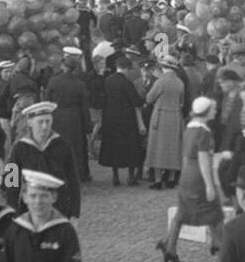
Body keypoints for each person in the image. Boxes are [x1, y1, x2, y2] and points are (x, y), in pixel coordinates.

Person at [158, 95, 225, 262]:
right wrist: (210, 185)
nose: (215, 111)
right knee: (215, 212)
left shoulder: (189, 128)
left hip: (187, 174)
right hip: (198, 176)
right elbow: (203, 159)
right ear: (206, 112)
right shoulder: (204, 132)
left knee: (182, 213)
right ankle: (223, 248)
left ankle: (169, 247)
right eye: (213, 109)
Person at [10, 101, 81, 219]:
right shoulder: (18, 148)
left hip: (59, 208)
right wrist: (11, 213)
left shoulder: (64, 146)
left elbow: (73, 181)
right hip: (30, 209)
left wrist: (75, 213)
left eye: (48, 122)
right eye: (40, 122)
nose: (44, 126)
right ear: (30, 123)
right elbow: (10, 183)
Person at [97, 56, 146, 187]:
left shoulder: (108, 80)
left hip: (110, 118)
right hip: (126, 119)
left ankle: (115, 176)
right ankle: (130, 177)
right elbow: (135, 101)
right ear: (127, 69)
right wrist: (144, 98)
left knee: (113, 147)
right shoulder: (127, 83)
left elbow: (102, 99)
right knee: (130, 148)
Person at [47, 48, 92, 184]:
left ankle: (57, 172)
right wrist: (87, 126)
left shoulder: (53, 81)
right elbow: (84, 107)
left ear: (63, 65)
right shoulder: (79, 84)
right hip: (74, 118)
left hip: (57, 116)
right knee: (75, 148)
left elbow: (47, 101)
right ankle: (76, 173)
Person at [143, 57, 185, 190]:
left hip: (160, 115)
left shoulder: (160, 82)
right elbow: (181, 101)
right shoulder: (179, 83)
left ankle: (158, 179)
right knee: (173, 147)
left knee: (157, 147)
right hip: (175, 116)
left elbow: (149, 99)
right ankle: (171, 178)